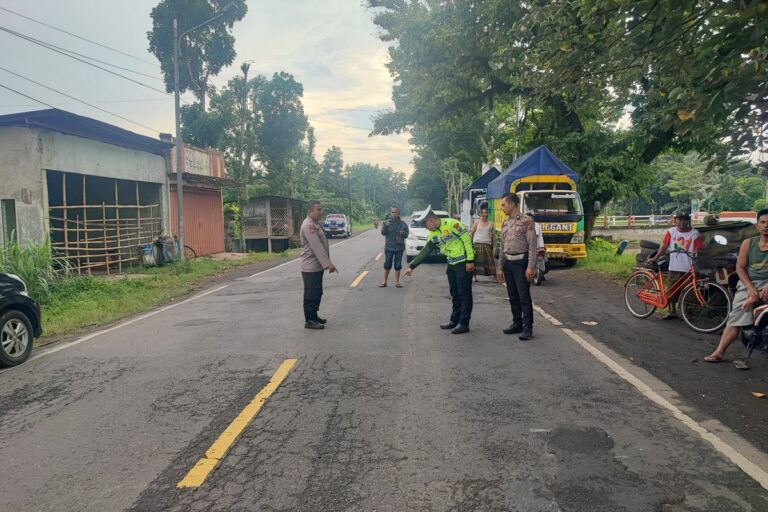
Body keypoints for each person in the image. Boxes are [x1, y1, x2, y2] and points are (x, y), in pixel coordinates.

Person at [705, 209, 768, 364]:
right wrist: (750, 288)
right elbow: (740, 268)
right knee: (736, 316)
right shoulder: (748, 243)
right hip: (750, 283)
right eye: (763, 222)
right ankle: (719, 352)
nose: (766, 226)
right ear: (757, 226)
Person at [404, 207, 475, 334]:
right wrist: (412, 266)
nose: (426, 229)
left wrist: (470, 260)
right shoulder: (433, 234)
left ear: (431, 220)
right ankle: (455, 320)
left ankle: (464, 323)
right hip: (452, 264)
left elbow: (467, 240)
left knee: (464, 293)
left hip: (463, 263)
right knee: (455, 293)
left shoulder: (453, 224)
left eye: (426, 226)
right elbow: (426, 250)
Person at [648, 211, 703, 319]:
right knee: (672, 290)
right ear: (675, 220)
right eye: (680, 219)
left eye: (685, 219)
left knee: (688, 290)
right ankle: (672, 311)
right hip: (674, 266)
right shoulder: (671, 232)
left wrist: (696, 255)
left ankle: (685, 312)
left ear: (688, 221)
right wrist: (656, 257)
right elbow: (664, 246)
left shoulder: (695, 233)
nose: (682, 222)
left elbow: (698, 249)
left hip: (688, 267)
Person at [497, 193, 537, 340]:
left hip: (521, 262)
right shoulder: (505, 223)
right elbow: (502, 247)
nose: (502, 208)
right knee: (513, 295)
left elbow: (532, 245)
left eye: (504, 205)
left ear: (512, 204)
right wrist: (500, 267)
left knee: (523, 296)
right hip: (508, 262)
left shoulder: (527, 221)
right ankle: (517, 323)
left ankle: (528, 327)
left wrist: (531, 267)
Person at [300, 200, 338, 330]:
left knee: (317, 292)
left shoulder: (315, 223)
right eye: (319, 210)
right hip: (310, 267)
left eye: (321, 209)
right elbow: (317, 247)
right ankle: (309, 320)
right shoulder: (308, 225)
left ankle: (314, 316)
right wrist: (329, 264)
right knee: (311, 293)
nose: (321, 212)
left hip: (317, 266)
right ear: (311, 210)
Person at [380, 206, 409, 288]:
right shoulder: (386, 222)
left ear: (398, 213)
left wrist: (403, 233)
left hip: (399, 247)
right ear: (390, 213)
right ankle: (384, 282)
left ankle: (397, 282)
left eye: (396, 212)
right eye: (392, 212)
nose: (394, 214)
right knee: (387, 265)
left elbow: (406, 235)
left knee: (398, 265)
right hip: (389, 247)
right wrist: (385, 226)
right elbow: (383, 233)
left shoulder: (403, 224)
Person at [470, 204, 497, 283]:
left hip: (487, 244)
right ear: (481, 214)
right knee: (476, 261)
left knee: (490, 261)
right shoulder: (476, 223)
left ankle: (495, 277)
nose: (486, 214)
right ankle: (474, 277)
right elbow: (472, 233)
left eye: (487, 213)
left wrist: (494, 246)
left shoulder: (491, 224)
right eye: (484, 213)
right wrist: (471, 244)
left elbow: (493, 236)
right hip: (477, 244)